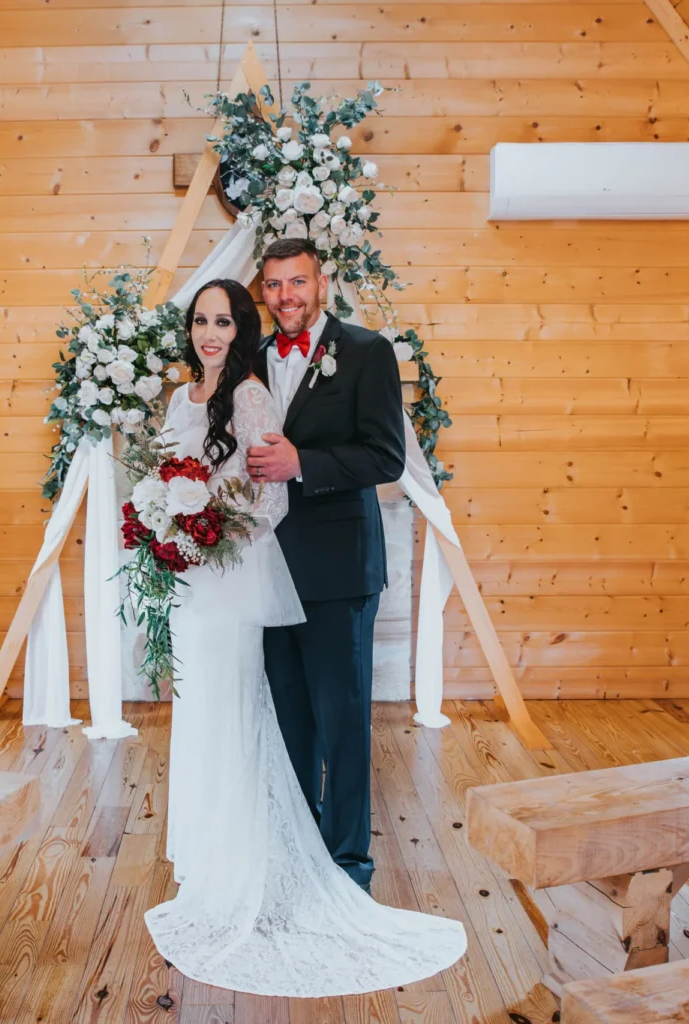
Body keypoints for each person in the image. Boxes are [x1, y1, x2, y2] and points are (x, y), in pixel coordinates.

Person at [143, 277, 464, 997]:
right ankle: (208, 852)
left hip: (263, 568)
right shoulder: (178, 397)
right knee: (222, 714)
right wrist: (167, 528)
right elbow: (166, 479)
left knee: (322, 715)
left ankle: (336, 864)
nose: (210, 333)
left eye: (223, 321)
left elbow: (281, 490)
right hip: (208, 584)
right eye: (200, 321)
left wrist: (209, 534)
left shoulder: (298, 376)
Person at [247, 237, 408, 893]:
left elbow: (386, 458)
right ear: (263, 291)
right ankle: (296, 847)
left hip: (339, 573)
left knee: (342, 724)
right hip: (265, 572)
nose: (287, 296)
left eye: (298, 282)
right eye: (275, 285)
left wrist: (303, 465)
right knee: (288, 722)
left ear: (320, 284)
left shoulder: (367, 353)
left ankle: (348, 864)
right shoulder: (250, 360)